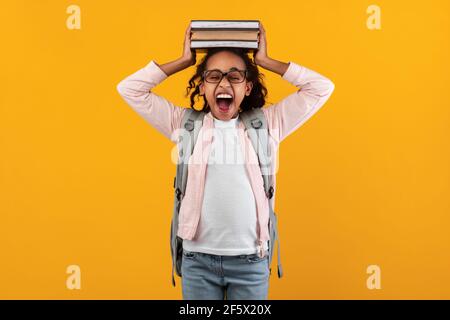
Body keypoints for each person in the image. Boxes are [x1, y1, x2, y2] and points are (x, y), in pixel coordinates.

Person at [116, 22, 335, 300]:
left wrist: (266, 61)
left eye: (234, 76)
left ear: (247, 86)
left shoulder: (267, 125)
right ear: (202, 86)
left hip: (250, 263)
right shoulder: (185, 125)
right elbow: (130, 89)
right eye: (213, 76)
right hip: (198, 262)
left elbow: (320, 88)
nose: (223, 83)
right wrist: (184, 61)